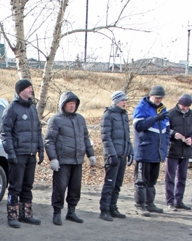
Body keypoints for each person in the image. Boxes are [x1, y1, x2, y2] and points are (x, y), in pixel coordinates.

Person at [44, 91, 95, 225]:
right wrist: (53, 158)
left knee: (75, 187)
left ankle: (71, 211)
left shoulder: (80, 119)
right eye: (69, 103)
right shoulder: (55, 120)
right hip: (62, 161)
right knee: (60, 188)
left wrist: (91, 154)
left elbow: (85, 138)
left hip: (77, 160)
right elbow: (49, 140)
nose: (72, 106)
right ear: (63, 104)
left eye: (74, 104)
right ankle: (57, 213)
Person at [1, 79, 44, 228]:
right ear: (21, 91)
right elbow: (5, 132)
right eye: (29, 88)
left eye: (32, 88)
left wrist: (40, 149)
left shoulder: (32, 107)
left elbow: (38, 130)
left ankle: (26, 214)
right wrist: (11, 153)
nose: (31, 90)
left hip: (31, 153)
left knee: (28, 185)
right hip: (18, 154)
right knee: (15, 186)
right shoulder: (12, 108)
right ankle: (12, 216)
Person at [132, 85, 169, 216]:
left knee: (152, 180)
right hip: (144, 150)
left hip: (157, 151)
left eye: (161, 98)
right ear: (151, 96)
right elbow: (139, 126)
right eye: (157, 97)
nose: (159, 100)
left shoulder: (162, 109)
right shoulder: (141, 108)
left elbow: (166, 131)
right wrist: (155, 118)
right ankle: (140, 205)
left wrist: (165, 148)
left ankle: (150, 203)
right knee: (141, 180)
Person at [98, 90, 133, 221]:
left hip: (122, 154)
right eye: (123, 100)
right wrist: (111, 154)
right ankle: (104, 210)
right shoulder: (108, 115)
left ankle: (113, 207)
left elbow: (127, 136)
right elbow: (105, 137)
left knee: (118, 183)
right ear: (116, 101)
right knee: (110, 183)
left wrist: (130, 151)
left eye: (125, 100)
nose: (125, 102)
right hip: (112, 155)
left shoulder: (124, 115)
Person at [165, 94, 192, 211]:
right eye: (183, 105)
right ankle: (170, 202)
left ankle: (178, 200)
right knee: (170, 177)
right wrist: (173, 134)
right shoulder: (170, 114)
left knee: (182, 177)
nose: (185, 108)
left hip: (186, 150)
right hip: (173, 149)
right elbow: (164, 129)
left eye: (187, 106)